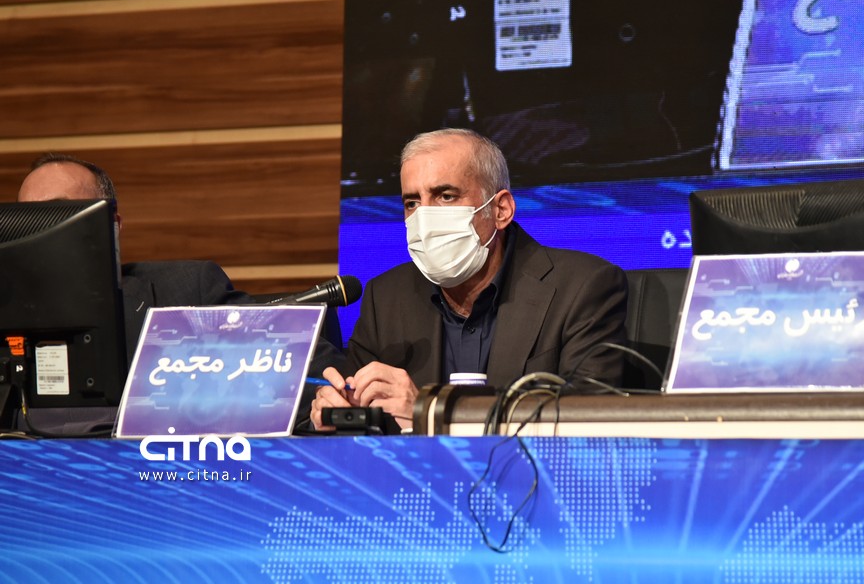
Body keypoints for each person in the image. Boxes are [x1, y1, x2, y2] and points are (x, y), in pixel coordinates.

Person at [312, 128, 628, 431]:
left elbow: (588, 419)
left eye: (446, 196)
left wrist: (428, 411)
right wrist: (338, 413)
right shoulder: (385, 298)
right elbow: (361, 420)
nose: (424, 218)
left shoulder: (584, 286)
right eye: (412, 203)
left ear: (501, 210)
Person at [17, 152, 344, 433]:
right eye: (27, 221)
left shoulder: (185, 290)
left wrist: (326, 403)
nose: (42, 234)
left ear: (112, 226)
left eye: (59, 215)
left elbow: (314, 373)